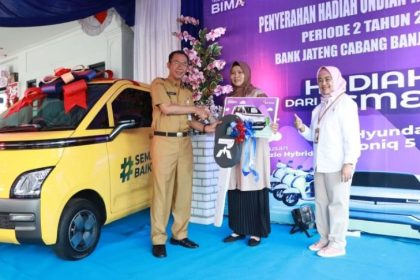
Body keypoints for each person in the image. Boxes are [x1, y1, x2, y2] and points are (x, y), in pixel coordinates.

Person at [150, 50, 218, 258]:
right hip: (163, 141)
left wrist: (206, 128)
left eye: (184, 64)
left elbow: (188, 120)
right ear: (168, 64)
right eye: (176, 62)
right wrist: (197, 109)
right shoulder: (158, 84)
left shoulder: (187, 93)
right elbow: (167, 109)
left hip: (184, 141)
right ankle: (158, 238)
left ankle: (179, 235)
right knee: (162, 191)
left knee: (184, 190)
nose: (180, 67)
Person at [294, 66, 361, 258]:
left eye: (328, 79)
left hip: (339, 165)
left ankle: (338, 244)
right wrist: (301, 128)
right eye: (321, 80)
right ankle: (324, 238)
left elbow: (352, 137)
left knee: (338, 204)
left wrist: (349, 162)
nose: (324, 83)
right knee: (321, 203)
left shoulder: (346, 104)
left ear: (337, 80)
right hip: (320, 164)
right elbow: (315, 136)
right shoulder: (318, 108)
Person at [223, 61, 278, 246]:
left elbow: (269, 121)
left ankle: (256, 231)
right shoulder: (230, 99)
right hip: (236, 149)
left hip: (254, 150)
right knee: (236, 185)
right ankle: (238, 228)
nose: (236, 76)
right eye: (233, 73)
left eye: (240, 72)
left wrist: (272, 124)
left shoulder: (258, 95)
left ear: (247, 74)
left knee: (253, 184)